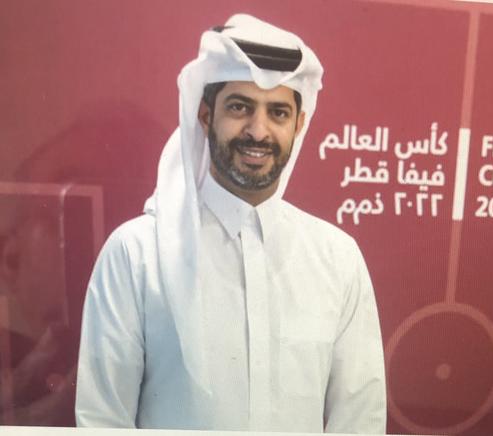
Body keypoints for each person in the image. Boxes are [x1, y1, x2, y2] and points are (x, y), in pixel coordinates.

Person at [75, 14, 386, 432]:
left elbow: (360, 419)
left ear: (299, 125)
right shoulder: (136, 255)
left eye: (278, 112)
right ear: (206, 115)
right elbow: (102, 420)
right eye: (240, 107)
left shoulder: (338, 258)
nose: (258, 131)